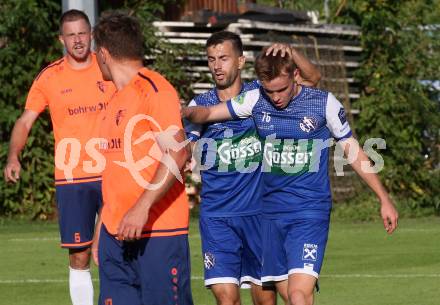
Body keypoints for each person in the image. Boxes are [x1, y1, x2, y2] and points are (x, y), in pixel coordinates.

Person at [182, 48, 399, 305]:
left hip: (309, 212)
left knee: (298, 296)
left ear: (295, 76)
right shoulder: (255, 99)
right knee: (283, 296)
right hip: (270, 217)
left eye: (281, 90)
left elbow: (352, 150)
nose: (275, 97)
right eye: (269, 90)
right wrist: (184, 111)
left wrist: (383, 198)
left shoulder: (322, 103)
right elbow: (207, 114)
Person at [184, 31, 320, 305]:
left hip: (261, 215)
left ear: (241, 61)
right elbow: (186, 145)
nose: (216, 66)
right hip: (218, 216)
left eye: (223, 58)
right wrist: (183, 154)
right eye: (211, 60)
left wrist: (291, 52)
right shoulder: (200, 105)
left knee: (267, 300)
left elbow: (311, 80)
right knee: (227, 300)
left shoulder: (262, 95)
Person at [3, 9, 115, 305]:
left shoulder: (110, 67)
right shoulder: (49, 77)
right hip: (72, 177)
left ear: (91, 34)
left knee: (114, 250)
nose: (78, 40)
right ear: (61, 39)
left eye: (82, 33)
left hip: (115, 173)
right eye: (71, 35)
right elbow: (25, 121)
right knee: (79, 256)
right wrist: (14, 156)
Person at [93, 12, 193, 305]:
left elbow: (177, 151)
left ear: (104, 54)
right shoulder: (112, 102)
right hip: (115, 236)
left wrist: (141, 208)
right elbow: (114, 174)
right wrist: (102, 227)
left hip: (159, 233)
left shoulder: (155, 90)